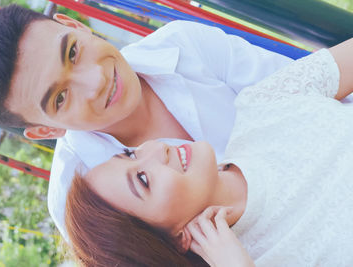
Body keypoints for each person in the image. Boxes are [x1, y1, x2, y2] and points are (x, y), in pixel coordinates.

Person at [0, 5, 293, 239]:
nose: (96, 81)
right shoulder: (77, 201)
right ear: (48, 131)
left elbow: (312, 89)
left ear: (75, 26)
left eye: (73, 52)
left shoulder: (184, 45)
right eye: (61, 98)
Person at [65, 38, 353, 266]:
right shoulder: (257, 260)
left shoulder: (260, 106)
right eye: (143, 179)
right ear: (177, 239)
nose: (157, 150)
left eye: (130, 154)